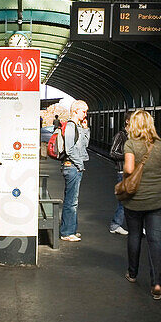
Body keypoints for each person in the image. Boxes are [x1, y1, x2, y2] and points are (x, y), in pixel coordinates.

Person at [121, 108, 161, 300]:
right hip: (158, 201)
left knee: (134, 236)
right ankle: (156, 282)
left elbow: (129, 168)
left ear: (133, 125)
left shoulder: (130, 144)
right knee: (155, 240)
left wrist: (127, 175)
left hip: (135, 201)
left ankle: (132, 274)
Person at [59, 100, 90, 242]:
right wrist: (80, 165)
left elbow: (85, 145)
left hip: (75, 166)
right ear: (76, 111)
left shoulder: (77, 126)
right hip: (72, 166)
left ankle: (71, 229)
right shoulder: (71, 126)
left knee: (73, 200)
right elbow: (69, 149)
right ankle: (66, 232)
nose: (86, 114)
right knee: (71, 201)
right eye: (84, 111)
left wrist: (85, 129)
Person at [107, 112, 131, 236]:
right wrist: (128, 156)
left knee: (133, 201)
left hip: (133, 173)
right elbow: (112, 153)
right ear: (127, 121)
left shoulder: (134, 136)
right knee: (124, 201)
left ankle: (135, 226)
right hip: (123, 172)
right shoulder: (121, 135)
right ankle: (115, 224)